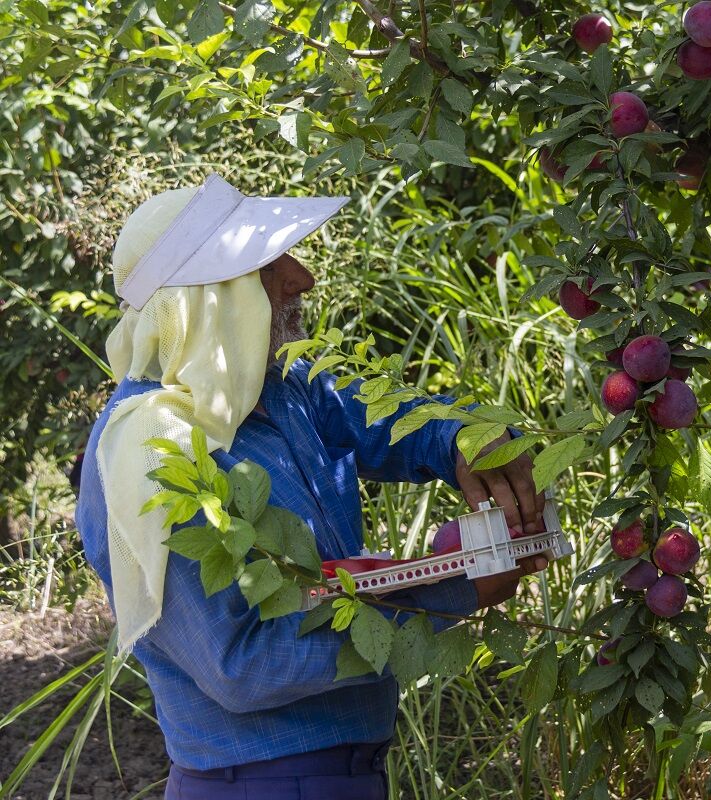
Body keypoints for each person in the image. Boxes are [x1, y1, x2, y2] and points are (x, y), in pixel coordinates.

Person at [75, 173, 550, 799]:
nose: (303, 278)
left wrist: (466, 440)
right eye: (272, 265)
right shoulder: (150, 450)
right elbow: (241, 666)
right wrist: (451, 597)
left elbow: (388, 422)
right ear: (214, 295)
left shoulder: (276, 395)